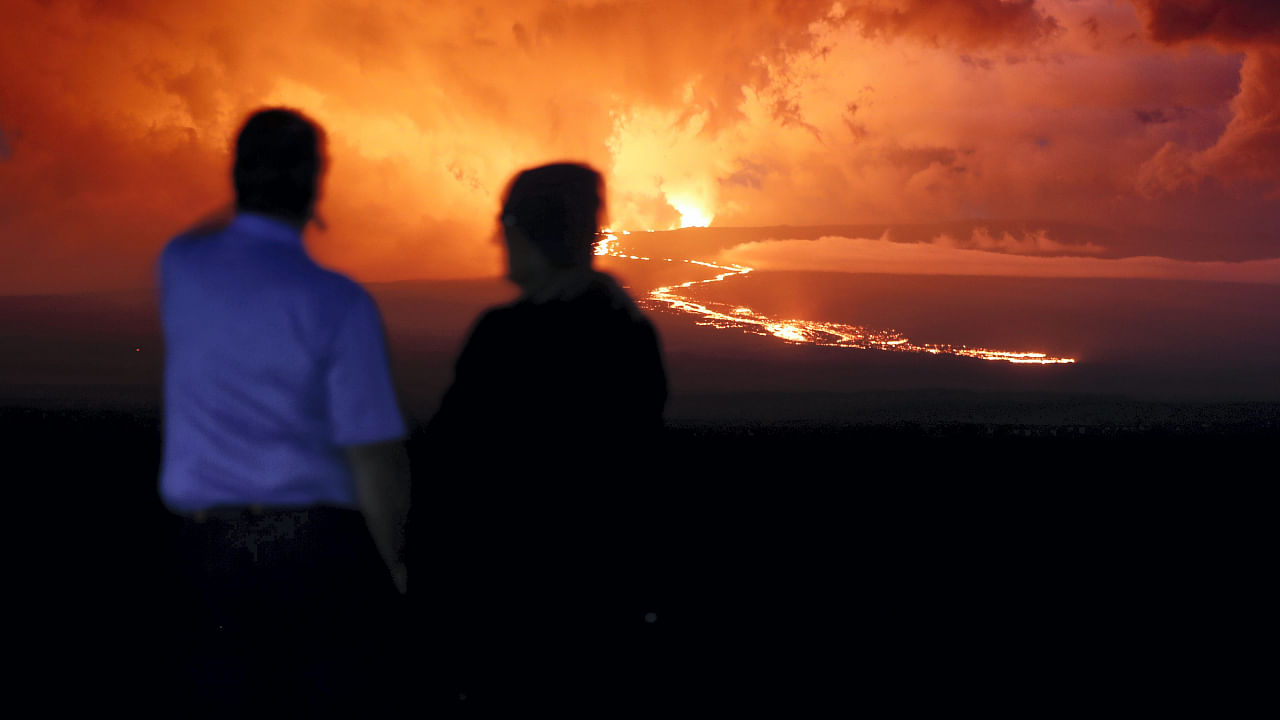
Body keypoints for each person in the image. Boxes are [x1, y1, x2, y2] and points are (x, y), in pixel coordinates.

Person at [158, 108, 411, 709]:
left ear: (241, 174)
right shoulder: (337, 304)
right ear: (315, 181)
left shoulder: (181, 268)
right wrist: (396, 562)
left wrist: (253, 196)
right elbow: (373, 455)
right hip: (310, 553)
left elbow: (199, 236)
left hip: (202, 552)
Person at [411, 162, 668, 711]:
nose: (495, 240)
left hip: (512, 612)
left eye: (503, 223)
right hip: (602, 608)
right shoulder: (629, 333)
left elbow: (451, 471)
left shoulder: (507, 338)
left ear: (526, 231)